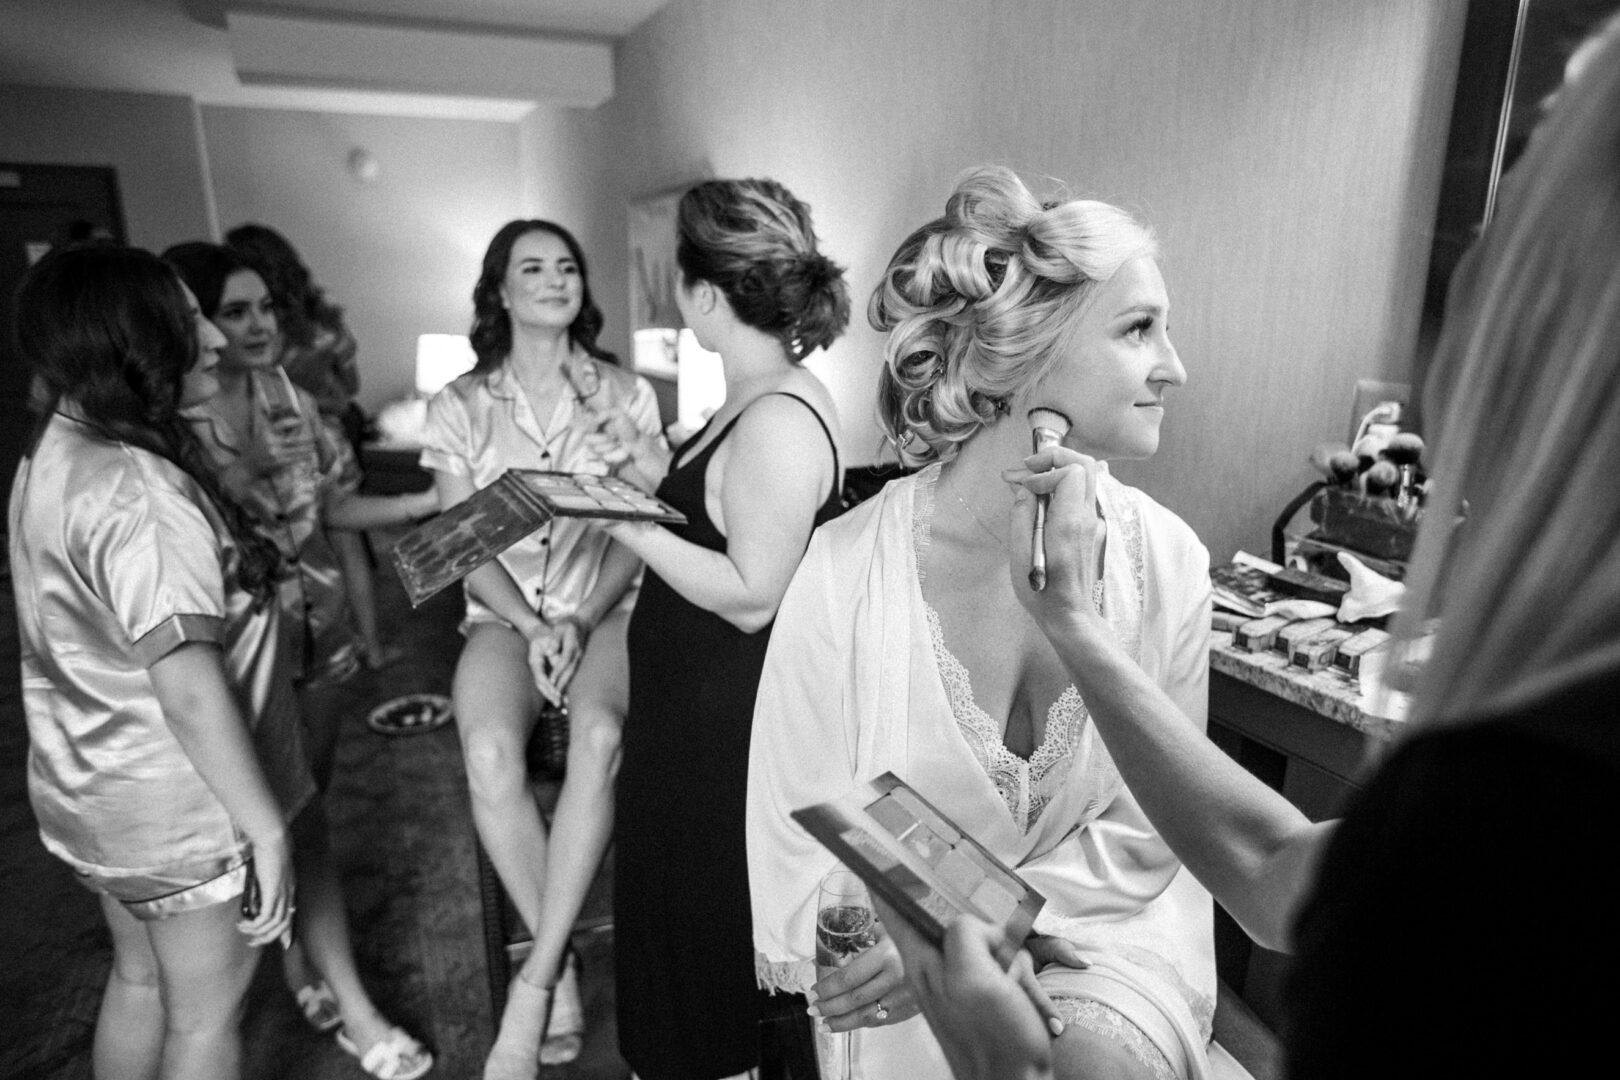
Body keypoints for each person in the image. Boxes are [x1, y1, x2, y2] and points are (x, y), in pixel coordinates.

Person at [890, 18, 1620, 1080]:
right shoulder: (1498, 802)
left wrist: (1022, 1072)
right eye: (1138, 330)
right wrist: (1079, 630)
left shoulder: (1514, 811)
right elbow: (1277, 869)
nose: (1175, 368)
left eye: (1532, 168)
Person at [748, 166, 1230, 1080]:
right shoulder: (846, 572)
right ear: (1030, 352)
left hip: (1110, 941)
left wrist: (1008, 923)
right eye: (1139, 330)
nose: (1176, 365)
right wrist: (919, 946)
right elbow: (796, 824)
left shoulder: (1168, 565)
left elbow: (1153, 831)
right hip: (904, 958)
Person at [8, 244, 304, 1079]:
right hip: (183, 811)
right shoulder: (139, 493)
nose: (213, 338)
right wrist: (267, 826)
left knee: (139, 979)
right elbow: (190, 691)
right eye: (189, 319)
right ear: (132, 339)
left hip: (95, 789)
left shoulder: (54, 449)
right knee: (207, 1022)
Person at [165, 241, 435, 1079]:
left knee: (306, 812)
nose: (253, 325)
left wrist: (430, 502)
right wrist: (244, 469)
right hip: (237, 658)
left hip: (318, 640)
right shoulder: (174, 426)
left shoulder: (300, 402)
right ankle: (278, 986)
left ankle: (308, 972)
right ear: (198, 324)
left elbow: (336, 506)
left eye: (263, 308)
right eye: (232, 310)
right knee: (260, 821)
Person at [599, 177, 848, 1080]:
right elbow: (722, 513)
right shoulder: (754, 396)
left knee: (701, 940)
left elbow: (753, 590)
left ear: (706, 294)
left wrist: (626, 521)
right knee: (676, 923)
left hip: (722, 733)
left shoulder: (779, 414)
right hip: (688, 716)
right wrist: (653, 475)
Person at [418, 219, 664, 1079]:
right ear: (500, 291)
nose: (555, 278)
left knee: (599, 735)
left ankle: (534, 975)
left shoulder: (625, 395)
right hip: (501, 618)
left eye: (567, 265)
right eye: (534, 267)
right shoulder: (459, 405)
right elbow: (458, 544)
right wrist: (528, 625)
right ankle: (556, 970)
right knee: (488, 749)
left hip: (610, 609)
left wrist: (581, 617)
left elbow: (644, 530)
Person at [225, 222, 394, 670]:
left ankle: (294, 657)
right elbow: (351, 384)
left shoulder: (251, 340)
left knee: (286, 543)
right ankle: (370, 649)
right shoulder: (323, 321)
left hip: (277, 435)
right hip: (332, 432)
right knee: (347, 544)